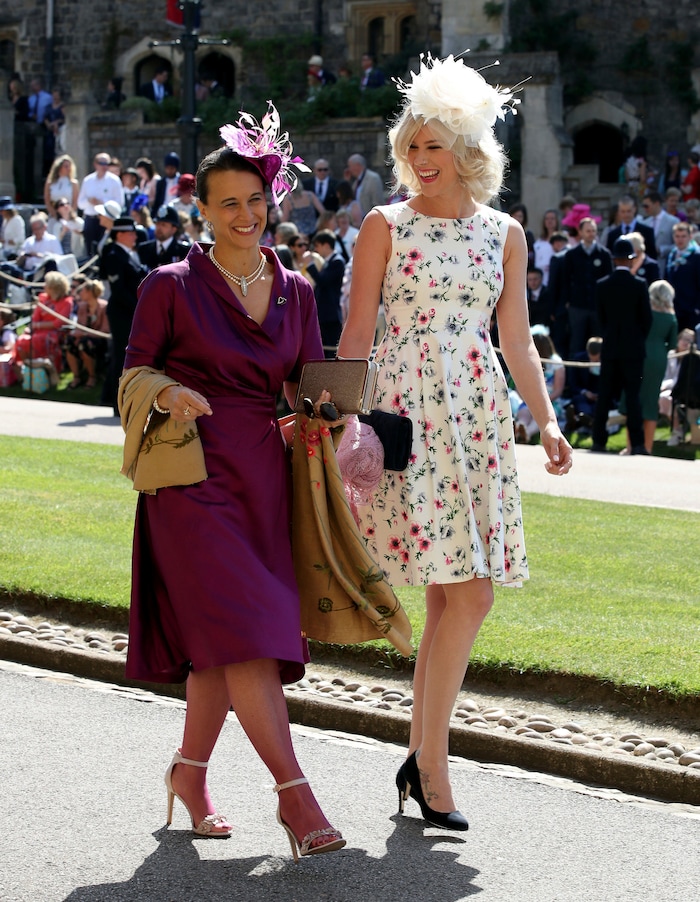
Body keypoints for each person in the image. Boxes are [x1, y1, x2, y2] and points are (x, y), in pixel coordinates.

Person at [336, 53, 572, 830]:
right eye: (412, 146)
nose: (420, 161)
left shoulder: (504, 234)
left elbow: (518, 340)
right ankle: (430, 765)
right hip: (407, 418)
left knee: (460, 592)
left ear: (470, 151)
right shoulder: (384, 225)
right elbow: (358, 333)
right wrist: (339, 422)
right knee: (464, 591)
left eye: (435, 146)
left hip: (475, 421)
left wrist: (545, 420)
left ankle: (425, 761)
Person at [118, 102, 345, 860]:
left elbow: (308, 391)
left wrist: (341, 417)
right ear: (203, 209)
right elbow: (132, 375)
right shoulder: (169, 284)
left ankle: (189, 775)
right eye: (228, 204)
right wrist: (167, 391)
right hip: (191, 481)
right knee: (245, 636)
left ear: (269, 201)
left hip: (264, 482)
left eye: (255, 200)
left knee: (225, 640)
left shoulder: (300, 292)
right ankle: (296, 796)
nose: (245, 215)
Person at [591, 238, 653, 455]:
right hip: (633, 349)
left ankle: (598, 441)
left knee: (605, 395)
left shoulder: (602, 285)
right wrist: (636, 338)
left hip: (610, 347)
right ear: (630, 260)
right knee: (633, 396)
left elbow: (601, 319)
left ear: (614, 259)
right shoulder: (639, 285)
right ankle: (636, 444)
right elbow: (647, 319)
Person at [620, 279, 678, 454]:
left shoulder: (643, 311)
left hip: (639, 354)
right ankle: (647, 447)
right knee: (651, 400)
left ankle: (631, 446)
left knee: (634, 397)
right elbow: (673, 342)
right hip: (659, 358)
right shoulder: (670, 316)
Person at [100, 218, 149, 414]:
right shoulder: (113, 254)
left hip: (130, 312)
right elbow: (119, 290)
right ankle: (118, 404)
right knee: (121, 357)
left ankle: (126, 400)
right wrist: (140, 308)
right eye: (131, 233)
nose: (135, 236)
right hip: (123, 313)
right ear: (119, 234)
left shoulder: (128, 254)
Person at [559, 216, 612, 356]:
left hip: (597, 307)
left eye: (593, 231)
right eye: (588, 231)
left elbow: (608, 282)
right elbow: (565, 281)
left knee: (599, 343)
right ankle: (573, 376)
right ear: (581, 232)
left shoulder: (604, 255)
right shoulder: (571, 255)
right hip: (577, 307)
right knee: (576, 342)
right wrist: (567, 302)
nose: (591, 234)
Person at [14, 270, 73, 372]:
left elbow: (58, 323)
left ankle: (50, 370)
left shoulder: (66, 302)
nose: (44, 286)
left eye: (47, 285)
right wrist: (32, 327)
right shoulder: (43, 298)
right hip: (39, 330)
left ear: (54, 287)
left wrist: (37, 325)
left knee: (42, 340)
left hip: (56, 332)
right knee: (22, 340)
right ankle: (30, 369)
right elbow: (35, 317)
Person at [303, 228, 345, 355]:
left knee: (331, 350)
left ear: (326, 245)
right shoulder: (328, 261)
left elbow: (323, 281)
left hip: (331, 314)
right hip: (324, 313)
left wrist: (310, 265)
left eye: (318, 246)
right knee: (324, 349)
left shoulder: (337, 261)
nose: (316, 249)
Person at [64, 278, 109, 388]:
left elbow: (105, 330)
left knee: (85, 344)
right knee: (69, 342)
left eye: (83, 291)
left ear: (90, 292)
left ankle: (92, 376)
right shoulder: (82, 307)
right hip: (84, 337)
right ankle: (76, 376)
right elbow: (80, 325)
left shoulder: (104, 307)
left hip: (100, 339)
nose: (81, 293)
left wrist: (83, 335)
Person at [78, 152, 126, 255]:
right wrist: (89, 201)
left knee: (104, 251)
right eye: (101, 163)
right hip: (90, 219)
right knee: (89, 251)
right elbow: (80, 203)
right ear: (95, 164)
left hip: (106, 221)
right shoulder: (88, 180)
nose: (104, 166)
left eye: (107, 164)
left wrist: (103, 202)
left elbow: (120, 203)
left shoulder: (114, 180)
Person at [665, 220, 700, 331]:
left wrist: (697, 308)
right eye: (677, 236)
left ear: (690, 237)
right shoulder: (671, 255)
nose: (680, 240)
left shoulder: (696, 256)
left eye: (683, 236)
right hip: (674, 308)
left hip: (690, 309)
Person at [137, 205, 189, 271]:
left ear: (174, 229)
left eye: (163, 225)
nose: (159, 228)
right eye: (157, 224)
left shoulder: (184, 251)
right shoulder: (143, 249)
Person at [640, 191, 679, 277]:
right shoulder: (645, 223)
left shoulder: (673, 221)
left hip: (665, 265)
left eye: (647, 206)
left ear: (656, 203)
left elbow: (678, 245)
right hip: (647, 268)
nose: (645, 209)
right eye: (643, 206)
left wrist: (661, 250)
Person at [605, 195, 657, 259]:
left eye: (628, 211)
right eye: (623, 211)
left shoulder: (647, 232)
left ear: (634, 209)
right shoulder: (612, 235)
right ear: (619, 211)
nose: (626, 215)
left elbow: (652, 255)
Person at [346, 154, 385, 219]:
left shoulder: (373, 178)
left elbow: (378, 203)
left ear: (357, 165)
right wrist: (347, 181)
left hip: (370, 220)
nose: (349, 169)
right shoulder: (356, 182)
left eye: (350, 166)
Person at [533, 208, 560, 284]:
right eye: (547, 219)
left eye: (552, 218)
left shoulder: (563, 238)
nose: (549, 221)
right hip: (541, 281)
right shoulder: (539, 241)